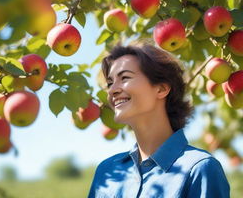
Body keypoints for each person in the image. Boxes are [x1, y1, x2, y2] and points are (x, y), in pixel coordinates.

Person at [88, 43, 230, 198]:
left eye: (125, 77)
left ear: (161, 89)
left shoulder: (199, 168)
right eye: (110, 83)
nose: (112, 90)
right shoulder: (107, 172)